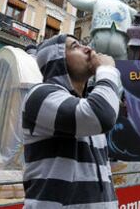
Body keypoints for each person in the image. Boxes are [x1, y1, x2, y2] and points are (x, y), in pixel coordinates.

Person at [22, 34, 120, 208]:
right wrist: (106, 70)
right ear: (57, 60)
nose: (88, 49)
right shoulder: (39, 96)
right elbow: (102, 115)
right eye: (75, 46)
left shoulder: (86, 104)